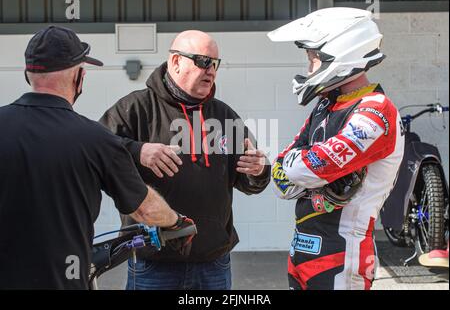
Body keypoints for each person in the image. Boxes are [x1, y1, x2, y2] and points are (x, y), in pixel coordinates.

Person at [0, 26, 195, 290]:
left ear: (28, 75)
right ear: (79, 77)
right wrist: (177, 221)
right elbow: (144, 208)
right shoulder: (96, 140)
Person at [99, 30, 270, 290]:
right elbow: (96, 151)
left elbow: (250, 181)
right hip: (153, 264)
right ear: (176, 61)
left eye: (215, 63)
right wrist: (137, 151)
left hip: (212, 263)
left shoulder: (224, 116)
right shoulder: (135, 109)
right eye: (203, 61)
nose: (211, 69)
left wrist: (258, 170)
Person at [268, 8, 405, 290]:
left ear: (341, 51)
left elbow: (317, 165)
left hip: (344, 251)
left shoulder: (376, 110)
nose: (309, 69)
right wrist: (303, 172)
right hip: (303, 247)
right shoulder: (327, 105)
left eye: (313, 59)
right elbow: (281, 173)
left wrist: (301, 170)